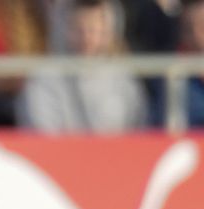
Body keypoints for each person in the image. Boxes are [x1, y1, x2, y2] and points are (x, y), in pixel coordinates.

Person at [19, 0, 147, 133]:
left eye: (93, 30)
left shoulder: (124, 80)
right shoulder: (43, 80)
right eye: (77, 29)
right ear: (62, 29)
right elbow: (41, 137)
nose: (86, 38)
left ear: (108, 31)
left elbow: (137, 130)